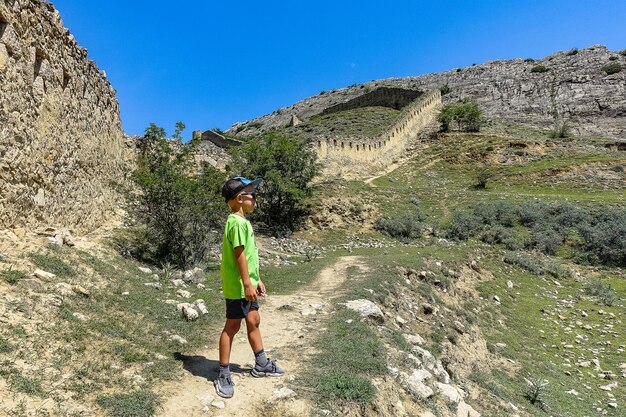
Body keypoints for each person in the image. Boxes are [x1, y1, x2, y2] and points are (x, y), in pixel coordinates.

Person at [214, 177, 285, 399]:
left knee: (254, 320)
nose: (255, 199)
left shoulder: (243, 222)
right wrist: (246, 283)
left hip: (247, 284)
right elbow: (240, 254)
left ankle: (261, 363)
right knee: (232, 326)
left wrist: (257, 279)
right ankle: (223, 373)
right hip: (238, 287)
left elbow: (251, 258)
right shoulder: (235, 223)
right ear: (239, 198)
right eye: (252, 195)